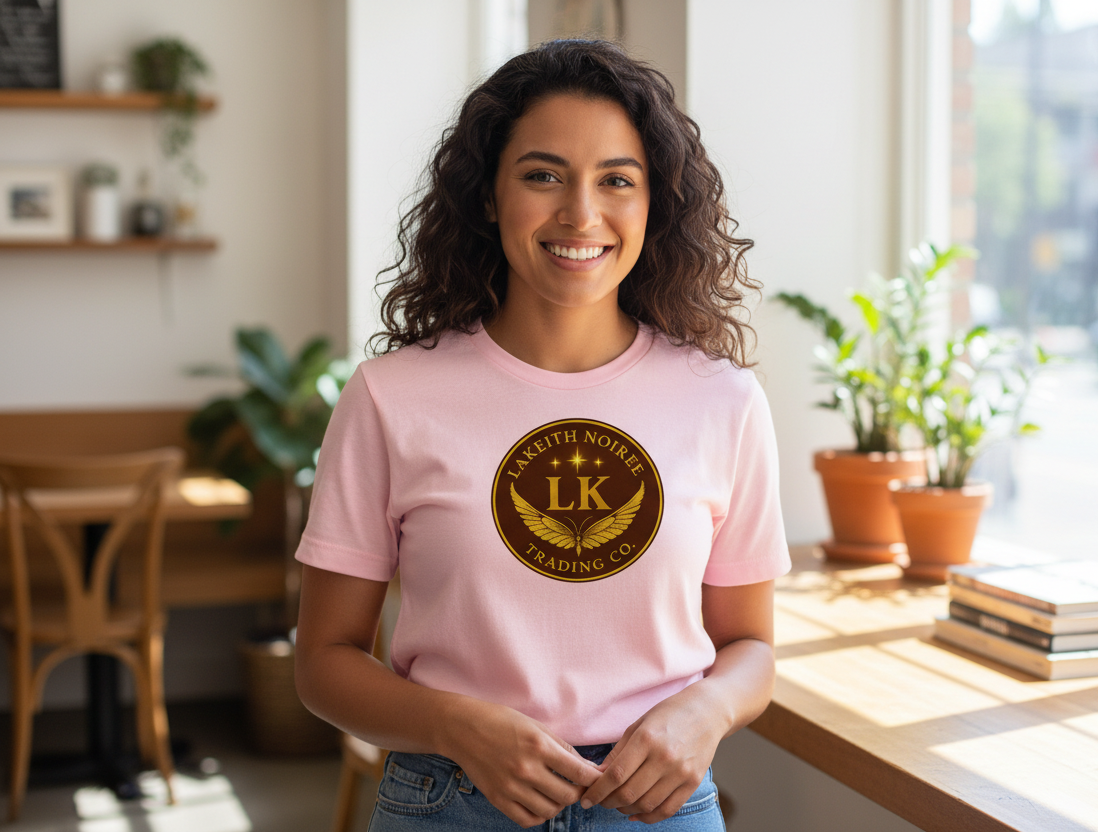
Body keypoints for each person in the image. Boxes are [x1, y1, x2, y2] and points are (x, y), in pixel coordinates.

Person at [294, 39, 790, 831]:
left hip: (654, 805)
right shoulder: (391, 396)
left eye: (616, 181)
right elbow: (322, 663)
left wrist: (705, 713)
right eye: (542, 175)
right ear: (488, 196)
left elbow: (752, 650)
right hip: (449, 798)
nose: (580, 214)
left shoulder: (723, 400)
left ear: (654, 201)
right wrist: (453, 725)